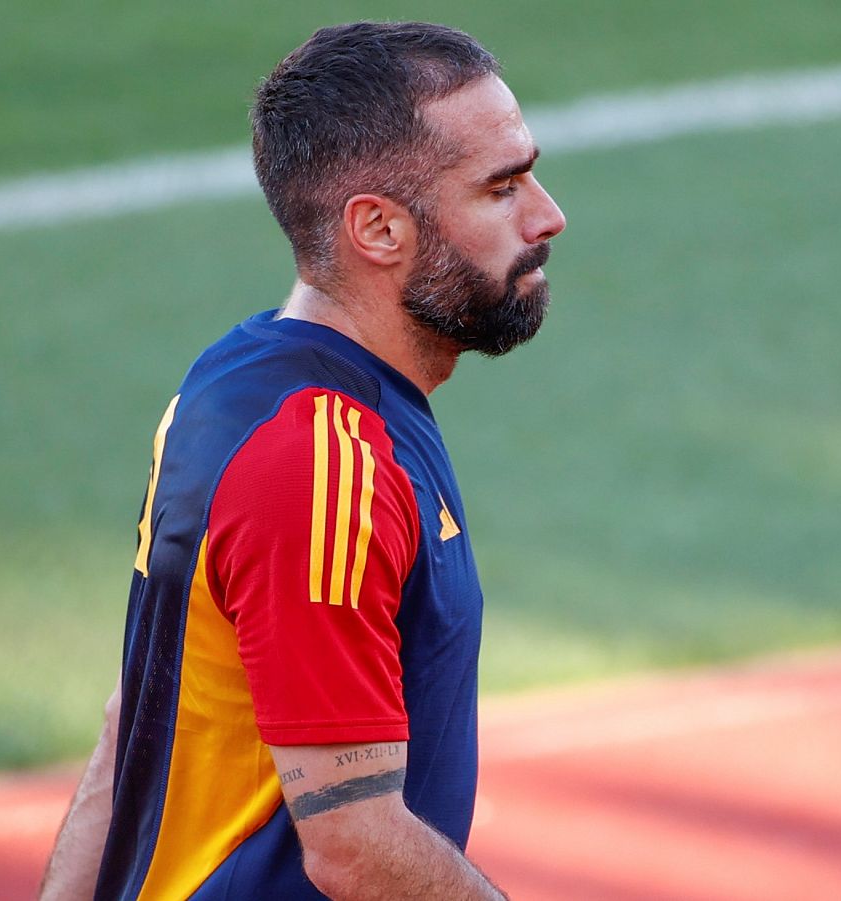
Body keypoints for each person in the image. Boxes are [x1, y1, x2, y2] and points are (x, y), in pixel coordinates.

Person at [39, 21, 565, 899]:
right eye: (501, 187)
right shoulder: (322, 461)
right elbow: (354, 846)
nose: (547, 215)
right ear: (380, 229)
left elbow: (139, 722)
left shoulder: (242, 382)